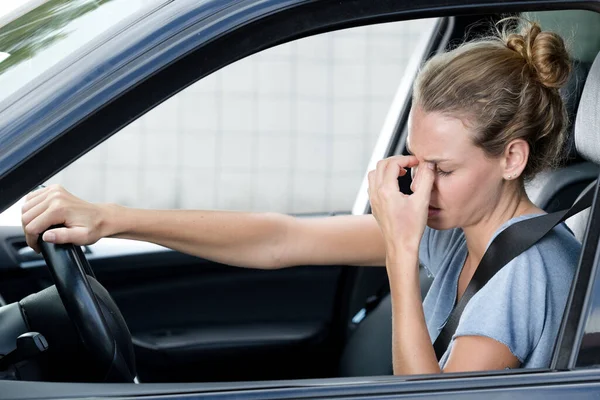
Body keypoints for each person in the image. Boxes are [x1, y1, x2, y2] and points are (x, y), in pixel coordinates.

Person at [20, 19, 579, 375]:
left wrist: (401, 257)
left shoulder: (522, 273)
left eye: (443, 168)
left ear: (511, 159)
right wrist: (112, 218)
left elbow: (431, 399)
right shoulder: (459, 231)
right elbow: (281, 238)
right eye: (415, 160)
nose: (421, 183)